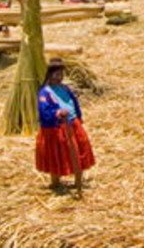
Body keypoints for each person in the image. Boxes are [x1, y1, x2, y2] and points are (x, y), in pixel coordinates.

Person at [36, 58, 95, 193]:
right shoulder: (45, 92)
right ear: (50, 75)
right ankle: (55, 183)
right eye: (56, 74)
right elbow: (44, 110)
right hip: (57, 128)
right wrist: (57, 113)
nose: (59, 78)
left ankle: (78, 182)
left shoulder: (65, 88)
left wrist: (78, 117)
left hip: (72, 123)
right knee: (56, 154)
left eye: (61, 74)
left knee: (78, 150)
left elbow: (73, 103)